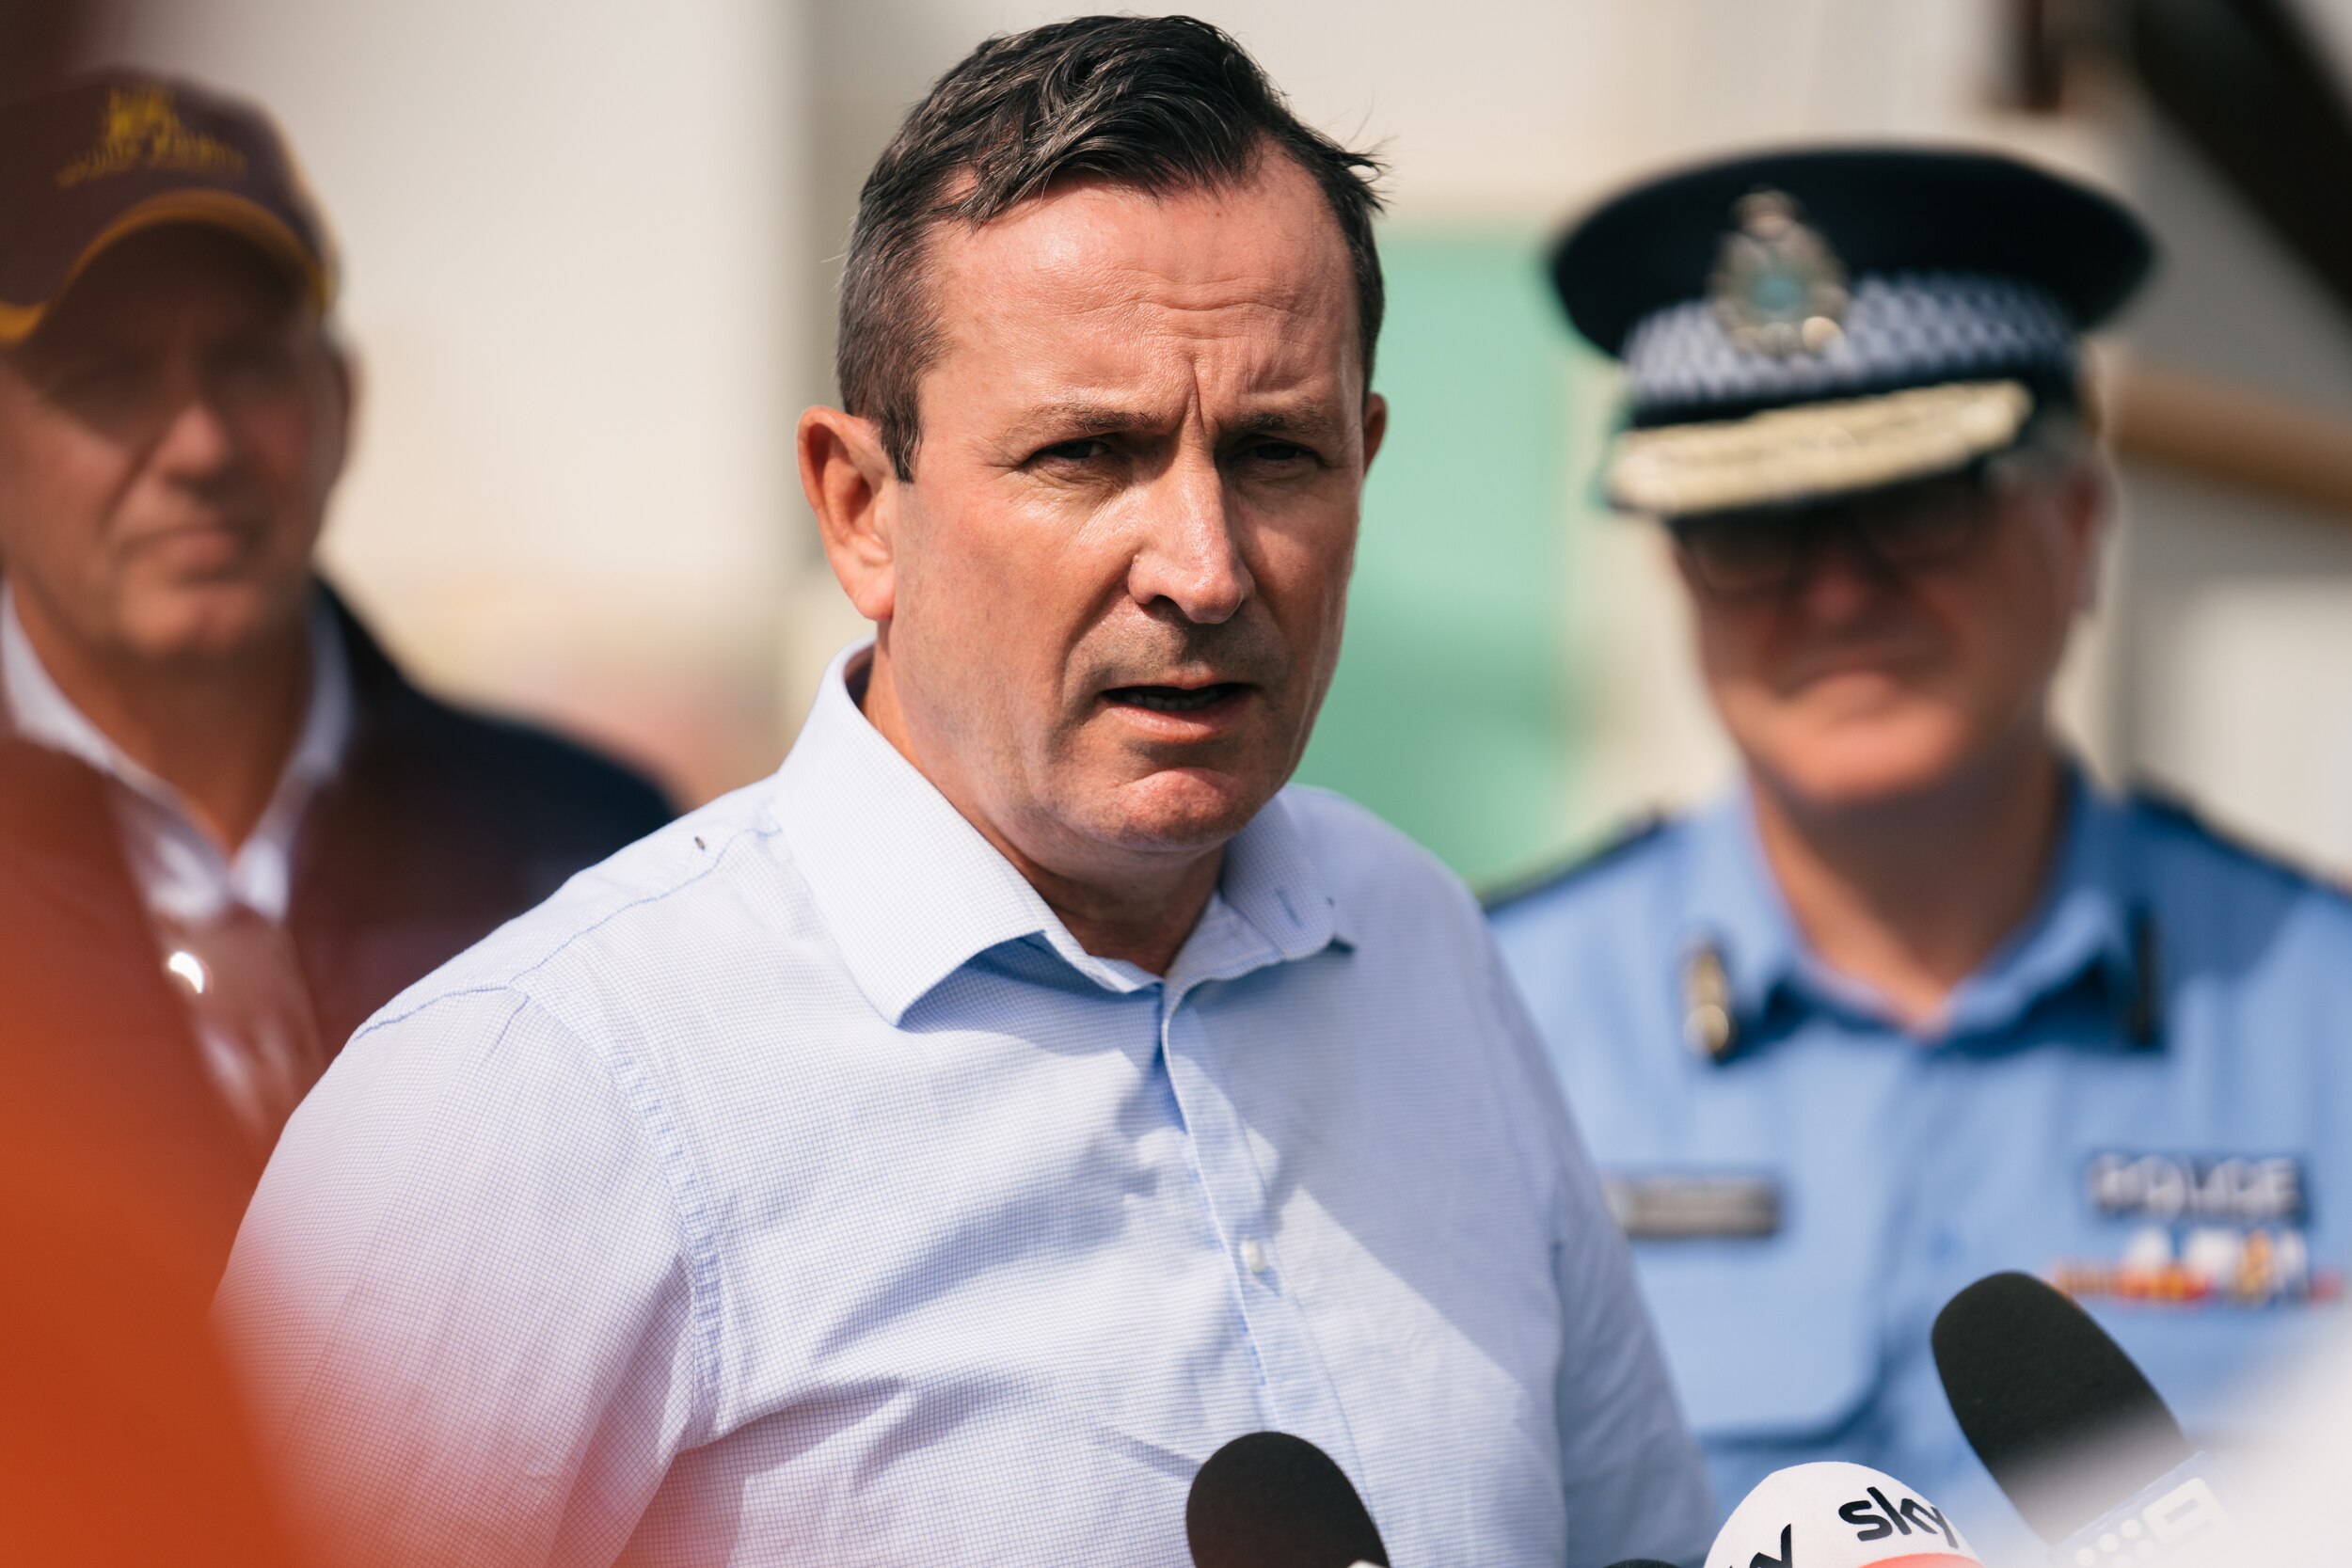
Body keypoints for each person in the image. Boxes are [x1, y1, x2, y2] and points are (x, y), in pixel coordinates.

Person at [216, 17, 1712, 1568]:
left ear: (1367, 459)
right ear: (862, 510)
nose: (1202, 568)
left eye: (1276, 455)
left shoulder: (1421, 953)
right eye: (1088, 454)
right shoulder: (542, 1092)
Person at [1488, 146, 2352, 1554]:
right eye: (1754, 521)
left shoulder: (2329, 1019)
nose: (1837, 588)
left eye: (1916, 499)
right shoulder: (1483, 1017)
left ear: (2080, 524)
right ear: (1675, 567)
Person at [0, 71, 673, 1260]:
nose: (201, 444)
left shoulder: (592, 855)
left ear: (342, 402)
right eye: (105, 377)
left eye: (250, 363)